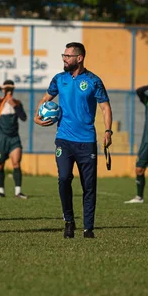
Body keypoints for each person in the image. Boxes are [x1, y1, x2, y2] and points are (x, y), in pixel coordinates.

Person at [34, 42, 113, 239]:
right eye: (63, 55)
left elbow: (105, 107)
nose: (64, 59)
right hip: (64, 139)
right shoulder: (59, 79)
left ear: (79, 58)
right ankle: (68, 221)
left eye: (68, 56)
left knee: (89, 185)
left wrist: (108, 131)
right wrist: (37, 116)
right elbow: (46, 99)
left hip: (86, 141)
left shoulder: (94, 81)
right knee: (63, 179)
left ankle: (88, 228)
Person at [0, 80, 28, 199]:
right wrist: (0, 87)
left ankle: (18, 192)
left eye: (11, 89)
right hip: (1, 139)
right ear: (3, 89)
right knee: (0, 165)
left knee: (16, 163)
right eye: (6, 89)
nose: (9, 91)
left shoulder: (17, 103)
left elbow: (24, 117)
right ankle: (1, 191)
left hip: (14, 138)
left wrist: (15, 106)